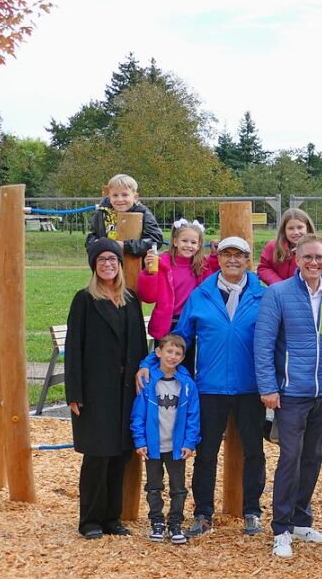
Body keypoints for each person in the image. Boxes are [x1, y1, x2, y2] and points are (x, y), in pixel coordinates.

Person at [138, 236, 267, 538]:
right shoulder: (201, 295)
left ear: (249, 260)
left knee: (254, 451)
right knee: (205, 452)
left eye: (239, 255)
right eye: (227, 255)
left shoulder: (262, 295)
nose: (233, 260)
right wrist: (149, 361)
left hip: (250, 386)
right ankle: (203, 513)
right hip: (210, 387)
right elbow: (180, 337)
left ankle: (252, 511)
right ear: (217, 258)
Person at [254, 234, 322, 559]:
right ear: (296, 258)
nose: (314, 263)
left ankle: (300, 520)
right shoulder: (278, 294)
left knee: (312, 458)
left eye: (320, 258)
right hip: (290, 392)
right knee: (290, 458)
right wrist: (268, 386)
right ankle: (281, 528)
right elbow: (264, 343)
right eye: (308, 257)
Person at [65, 238, 149, 539]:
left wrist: (144, 369)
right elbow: (73, 347)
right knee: (98, 456)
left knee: (120, 454)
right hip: (96, 390)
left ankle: (112, 518)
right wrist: (74, 391)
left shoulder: (129, 299)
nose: (108, 264)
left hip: (126, 390)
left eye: (112, 259)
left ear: (119, 263)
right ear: (94, 266)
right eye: (101, 260)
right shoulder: (85, 300)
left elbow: (139, 339)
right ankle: (90, 520)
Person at [130, 333, 201, 545]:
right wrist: (140, 440)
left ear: (182, 357)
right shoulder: (148, 382)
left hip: (177, 447)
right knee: (154, 486)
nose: (173, 356)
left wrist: (190, 442)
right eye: (169, 351)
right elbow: (138, 415)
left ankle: (176, 522)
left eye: (178, 353)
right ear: (158, 353)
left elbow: (193, 417)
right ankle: (157, 522)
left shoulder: (187, 385)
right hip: (153, 446)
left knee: (178, 487)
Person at [137, 219, 218, 373]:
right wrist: (148, 273)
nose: (189, 245)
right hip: (166, 324)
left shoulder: (201, 265)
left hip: (189, 323)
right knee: (163, 366)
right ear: (175, 241)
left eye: (194, 242)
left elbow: (211, 285)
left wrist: (214, 257)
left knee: (185, 366)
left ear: (199, 245)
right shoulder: (161, 263)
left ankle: (185, 395)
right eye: (184, 241)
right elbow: (148, 296)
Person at [85, 173, 164, 257]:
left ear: (135, 197)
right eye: (115, 195)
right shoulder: (101, 213)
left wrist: (125, 246)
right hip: (109, 263)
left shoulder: (143, 213)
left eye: (125, 195)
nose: (119, 199)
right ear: (109, 197)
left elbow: (155, 240)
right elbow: (91, 238)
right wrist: (99, 244)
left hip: (136, 264)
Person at [258, 208, 315, 286]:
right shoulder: (273, 247)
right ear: (284, 230)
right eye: (291, 228)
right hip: (279, 292)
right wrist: (281, 285)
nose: (296, 232)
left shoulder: (316, 249)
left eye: (300, 227)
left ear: (307, 228)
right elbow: (264, 268)